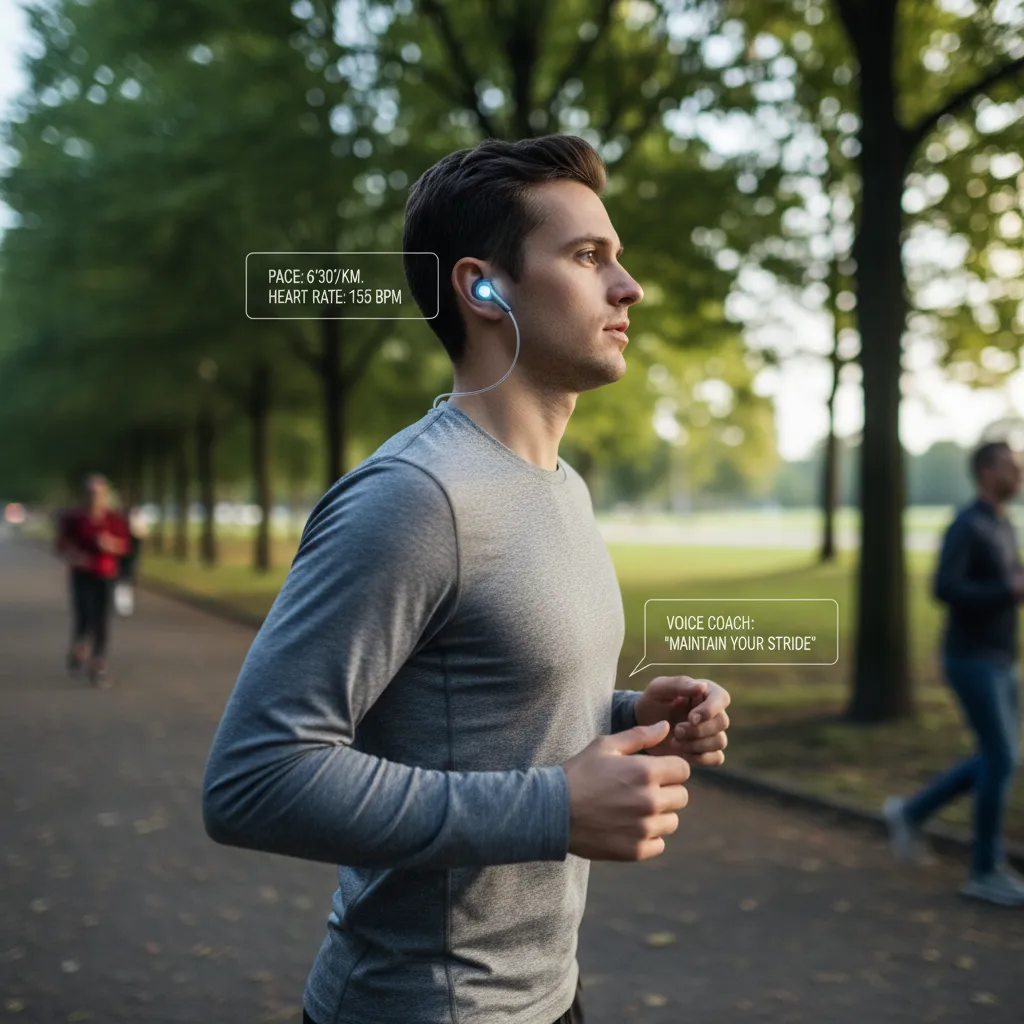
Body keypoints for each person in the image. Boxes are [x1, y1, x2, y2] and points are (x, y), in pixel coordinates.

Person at [202, 135, 733, 1024]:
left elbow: (467, 711)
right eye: (587, 257)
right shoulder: (413, 498)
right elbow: (255, 778)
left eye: (620, 258)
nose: (628, 286)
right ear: (483, 288)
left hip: (549, 996)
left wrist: (626, 720)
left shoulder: (563, 488)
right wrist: (553, 808)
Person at [884, 440, 1024, 906]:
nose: (1018, 471)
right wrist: (1006, 588)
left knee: (998, 756)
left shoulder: (1004, 524)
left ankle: (910, 811)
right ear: (986, 471)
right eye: (1010, 465)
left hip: (1003, 658)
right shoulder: (967, 524)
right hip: (971, 659)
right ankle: (983, 870)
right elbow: (945, 586)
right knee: (1001, 758)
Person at [55, 473, 131, 686]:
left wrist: (110, 544)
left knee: (102, 619)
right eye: (90, 493)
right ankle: (79, 645)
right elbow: (61, 546)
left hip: (105, 573)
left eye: (99, 493)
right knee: (84, 613)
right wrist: (74, 556)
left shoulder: (113, 519)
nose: (94, 497)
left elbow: (124, 546)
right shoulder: (75, 519)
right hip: (82, 574)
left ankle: (98, 662)